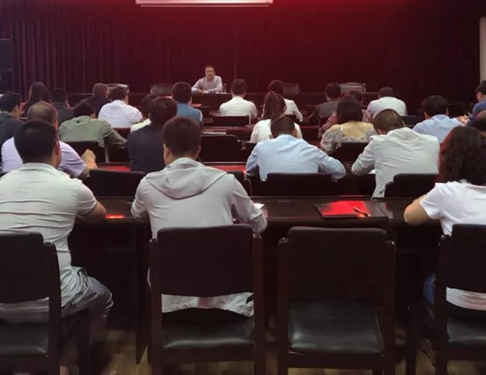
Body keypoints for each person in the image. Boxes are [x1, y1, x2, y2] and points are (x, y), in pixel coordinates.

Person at [0, 121, 112, 371]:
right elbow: (99, 215)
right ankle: (66, 362)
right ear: (57, 148)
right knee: (104, 299)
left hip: (0, 301)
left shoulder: (1, 185)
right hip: (56, 299)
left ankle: (26, 363)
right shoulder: (69, 185)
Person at [132, 117, 266, 315]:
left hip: (169, 302)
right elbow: (259, 225)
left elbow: (137, 215)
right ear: (198, 150)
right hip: (226, 300)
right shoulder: (226, 181)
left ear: (165, 150)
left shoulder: (147, 185)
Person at [403, 126, 486, 317]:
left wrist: (430, 194)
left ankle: (416, 326)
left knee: (419, 277)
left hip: (460, 302)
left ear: (446, 158)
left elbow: (409, 217)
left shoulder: (445, 191)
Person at [352, 109, 439, 197]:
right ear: (403, 124)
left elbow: (357, 169)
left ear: (379, 131)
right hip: (428, 200)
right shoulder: (433, 141)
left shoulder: (378, 142)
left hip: (387, 202)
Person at [2, 101, 97, 179]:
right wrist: (89, 159)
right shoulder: (61, 148)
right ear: (55, 124)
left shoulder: (7, 145)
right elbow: (89, 175)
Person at [247, 116, 345, 181]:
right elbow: (340, 171)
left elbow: (249, 172)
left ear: (271, 136)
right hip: (308, 203)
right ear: (295, 132)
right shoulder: (312, 150)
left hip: (270, 202)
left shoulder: (260, 148)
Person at [128, 97, 178, 174]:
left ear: (150, 116)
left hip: (140, 180)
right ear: (174, 118)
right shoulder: (179, 139)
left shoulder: (134, 136)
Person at [58, 102, 127, 149]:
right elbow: (121, 142)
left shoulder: (63, 126)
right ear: (93, 114)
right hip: (96, 163)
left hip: (68, 164)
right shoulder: (102, 124)